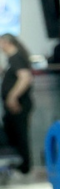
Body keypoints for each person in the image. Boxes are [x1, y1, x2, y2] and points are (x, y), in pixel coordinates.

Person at [1, 34, 34, 175]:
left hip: (19, 104)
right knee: (14, 135)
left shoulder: (16, 58)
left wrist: (12, 97)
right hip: (14, 105)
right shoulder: (12, 60)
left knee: (20, 135)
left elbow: (25, 78)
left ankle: (23, 167)